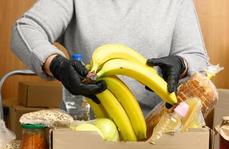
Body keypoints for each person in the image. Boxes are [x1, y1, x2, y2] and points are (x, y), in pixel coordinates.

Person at [11, 0, 209, 116]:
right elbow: (25, 29)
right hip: (86, 126)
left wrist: (182, 63)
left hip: (156, 129)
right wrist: (54, 63)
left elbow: (197, 57)